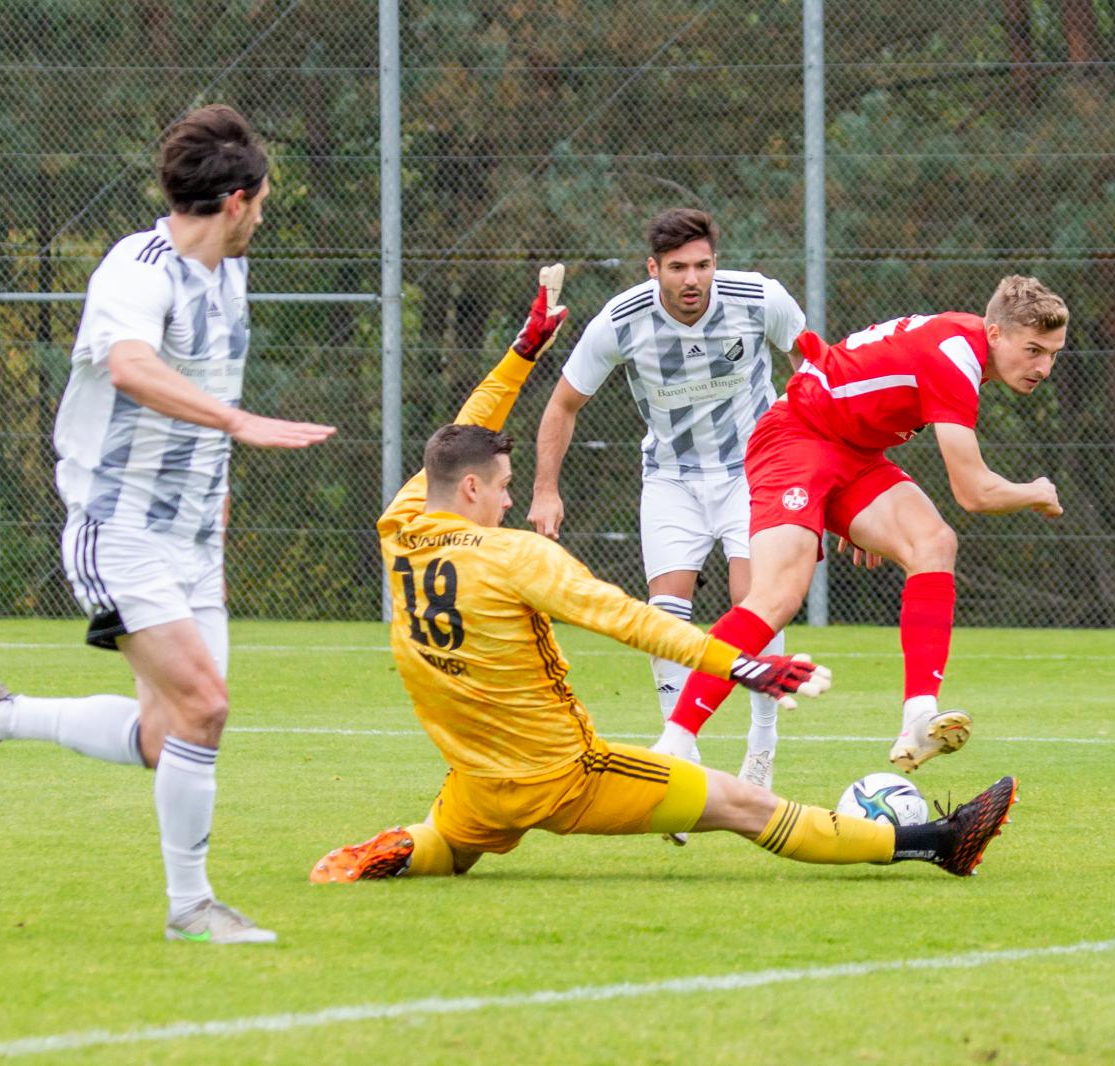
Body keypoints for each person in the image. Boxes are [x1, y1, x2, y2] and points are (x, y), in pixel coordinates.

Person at [307, 267, 1018, 885]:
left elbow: (460, 434)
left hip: (475, 781)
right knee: (745, 807)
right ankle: (934, 843)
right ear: (469, 492)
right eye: (503, 489)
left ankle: (413, 847)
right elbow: (632, 620)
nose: (507, 500)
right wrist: (739, 667)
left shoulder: (400, 525)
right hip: (564, 778)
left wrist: (525, 353)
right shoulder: (512, 556)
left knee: (453, 846)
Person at [0, 105, 335, 944]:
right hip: (118, 527)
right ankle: (190, 908)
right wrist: (236, 422)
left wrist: (217, 497)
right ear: (238, 200)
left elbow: (195, 375)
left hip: (192, 535)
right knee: (206, 708)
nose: (262, 215)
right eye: (261, 201)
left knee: (168, 736)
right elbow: (132, 366)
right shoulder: (135, 269)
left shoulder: (230, 272)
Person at [655, 277, 1069, 774]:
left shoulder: (966, 346)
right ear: (996, 334)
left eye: (1052, 353)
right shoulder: (957, 354)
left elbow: (861, 386)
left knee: (933, 544)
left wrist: (857, 519)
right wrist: (1036, 492)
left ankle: (919, 716)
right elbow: (974, 492)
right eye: (1034, 350)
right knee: (777, 597)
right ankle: (675, 743)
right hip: (796, 437)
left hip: (854, 451)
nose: (1044, 367)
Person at [527, 209, 805, 792]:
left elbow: (817, 375)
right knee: (665, 616)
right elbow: (561, 405)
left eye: (702, 265)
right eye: (677, 267)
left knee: (753, 603)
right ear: (653, 269)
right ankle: (684, 759)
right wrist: (545, 490)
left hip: (754, 470)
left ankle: (762, 747)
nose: (692, 280)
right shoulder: (620, 322)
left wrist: (836, 476)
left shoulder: (760, 299)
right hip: (672, 478)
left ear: (714, 265)